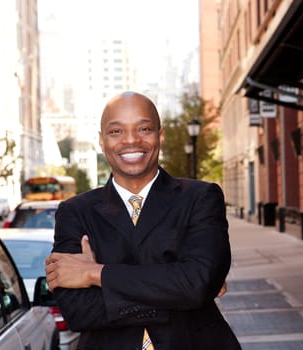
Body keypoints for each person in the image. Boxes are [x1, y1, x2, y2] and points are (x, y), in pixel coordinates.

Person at [45, 91, 241, 349]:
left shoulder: (201, 197)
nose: (131, 140)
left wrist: (96, 273)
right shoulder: (75, 212)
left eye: (144, 128)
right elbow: (79, 311)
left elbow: (197, 283)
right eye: (116, 132)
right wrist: (180, 292)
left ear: (160, 136)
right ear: (102, 141)